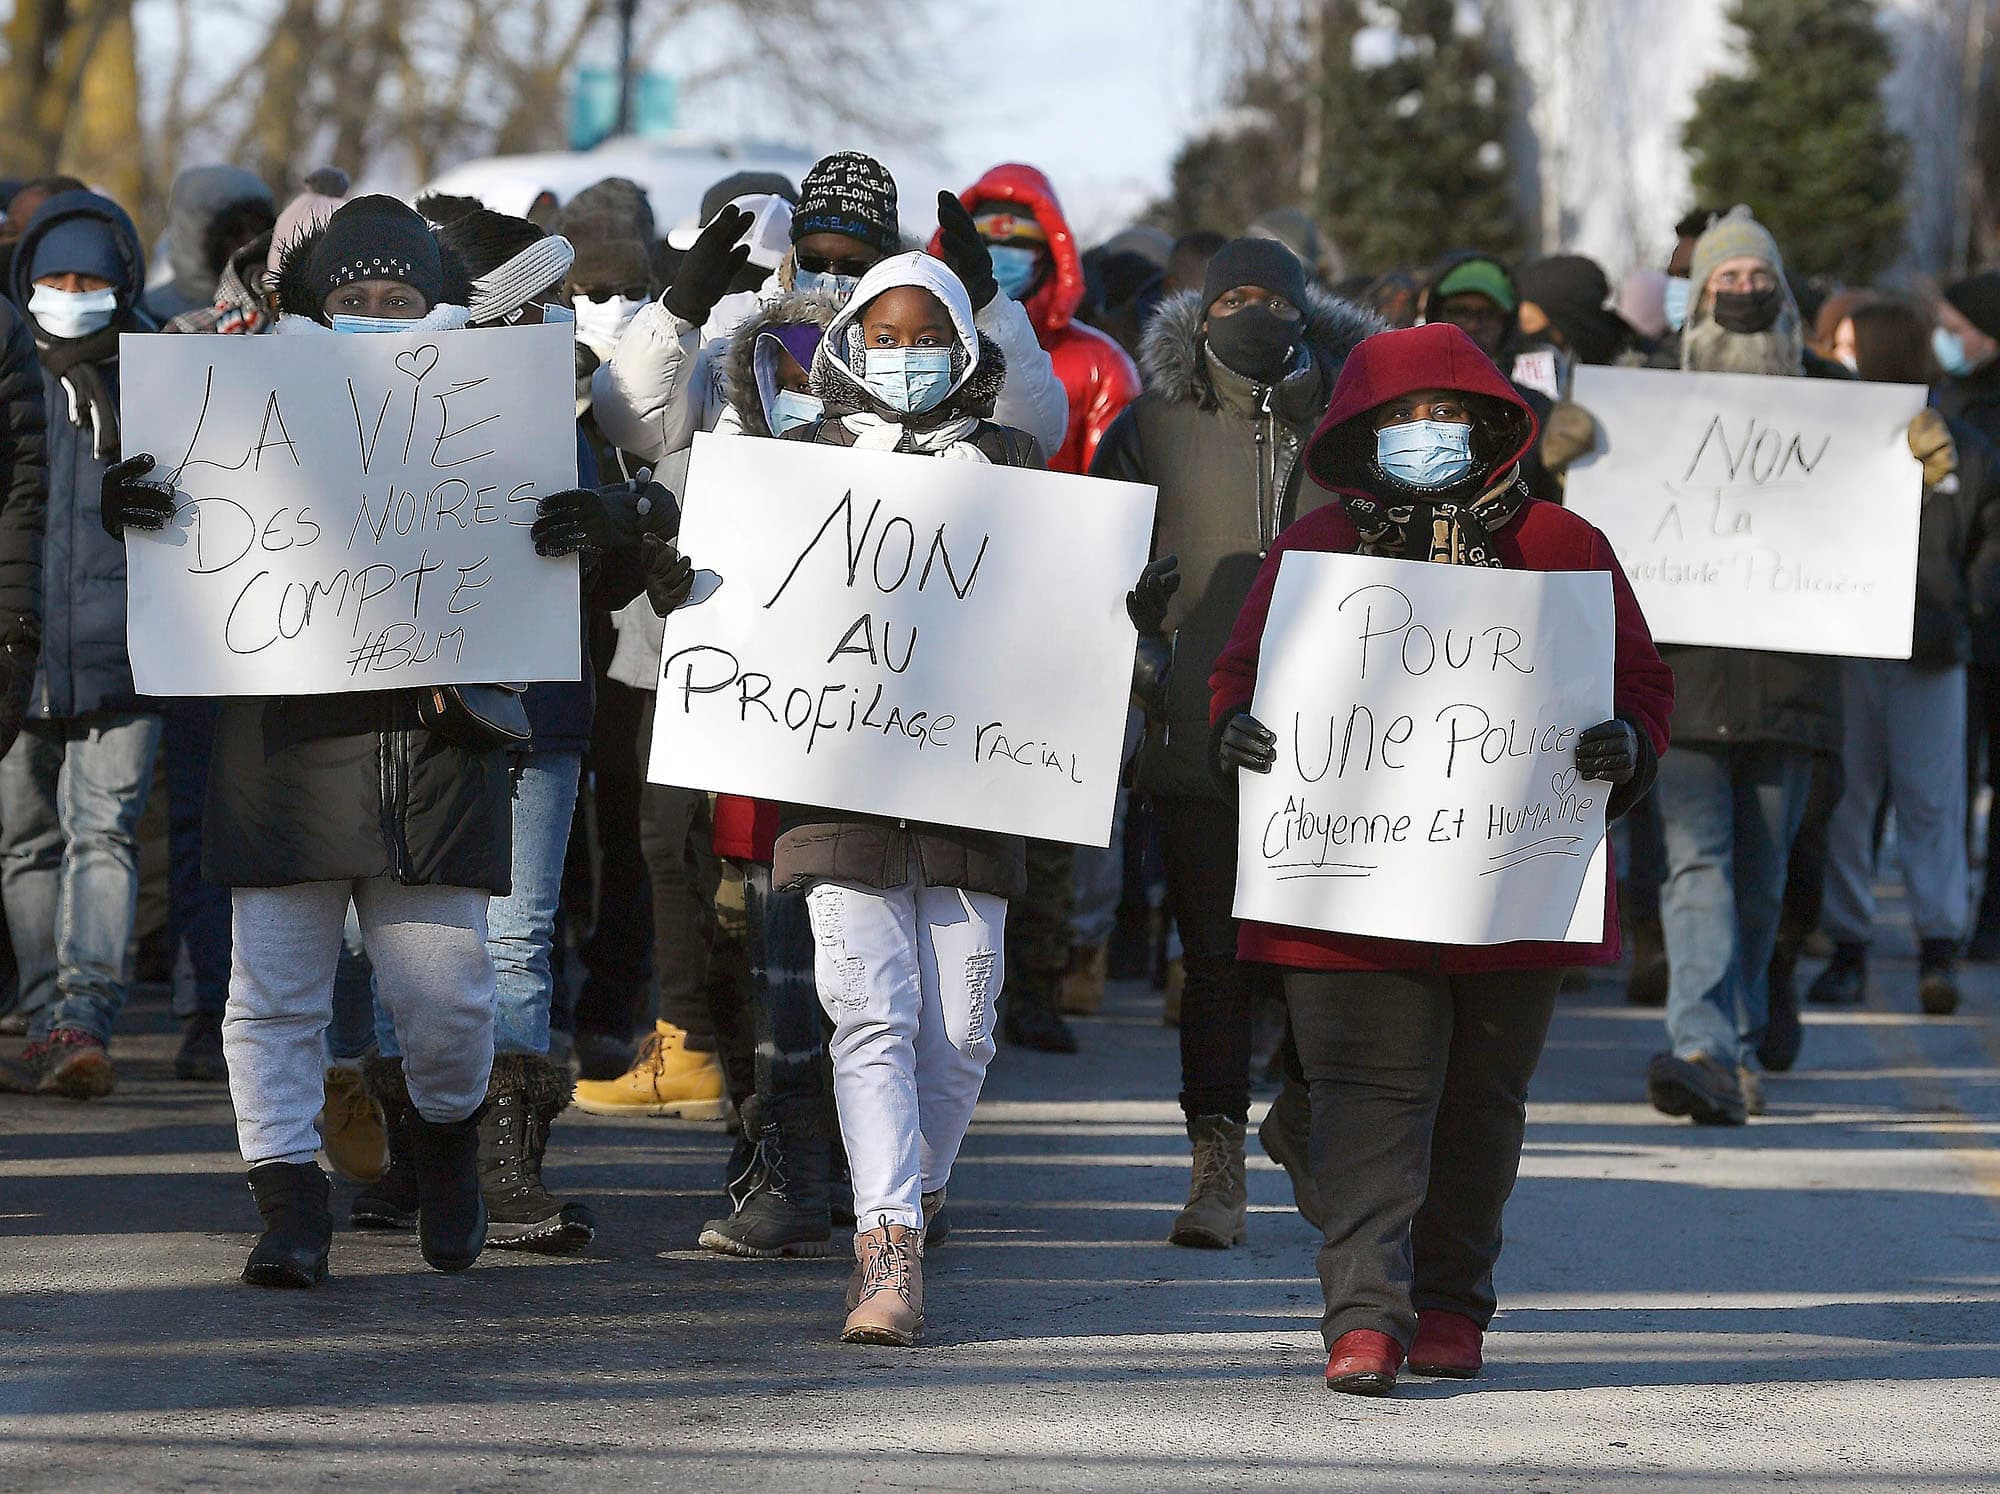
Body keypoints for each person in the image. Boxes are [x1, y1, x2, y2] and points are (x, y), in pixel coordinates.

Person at [98, 193, 590, 1288]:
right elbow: (196, 538)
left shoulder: (503, 412)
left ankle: (448, 1143)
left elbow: (596, 570)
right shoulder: (237, 404)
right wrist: (134, 506)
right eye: (354, 299)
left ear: (437, 303)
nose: (376, 312)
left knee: (446, 996)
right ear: (314, 306)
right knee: (270, 996)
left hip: (436, 750)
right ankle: (287, 1198)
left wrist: (592, 530)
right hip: (281, 745)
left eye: (398, 298)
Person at [1207, 319, 1674, 1395]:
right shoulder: (1314, 550)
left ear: (1488, 426)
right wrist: (1237, 724)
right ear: (1361, 434)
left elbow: (1641, 684)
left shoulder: (1562, 546)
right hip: (1345, 891)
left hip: (1508, 886)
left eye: (1446, 414)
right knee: (1368, 1099)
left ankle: (1454, 1304)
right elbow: (1241, 671)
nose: (1426, 432)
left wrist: (1629, 743)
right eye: (1402, 416)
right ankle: (1364, 1314)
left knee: (1478, 1104)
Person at [652, 252, 1073, 1345]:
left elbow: (1049, 610)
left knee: (963, 1028)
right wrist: (684, 594)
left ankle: (914, 1193)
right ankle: (885, 1249)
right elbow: (744, 605)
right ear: (843, 347)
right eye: (880, 336)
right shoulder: (799, 464)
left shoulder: (1011, 462)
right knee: (870, 1017)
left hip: (971, 786)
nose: (903, 356)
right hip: (834, 791)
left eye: (923, 334)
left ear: (963, 346)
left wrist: (1115, 605)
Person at [1091, 237, 1380, 1249]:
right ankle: (1214, 1164)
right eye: (1232, 298)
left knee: (1320, 953)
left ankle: (1298, 1109)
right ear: (1201, 312)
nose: (1250, 313)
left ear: (1304, 310)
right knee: (1211, 957)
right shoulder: (1151, 425)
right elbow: (1091, 558)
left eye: (1270, 297)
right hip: (1198, 732)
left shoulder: (1360, 425)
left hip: (1334, 740)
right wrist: (1137, 628)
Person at [1638, 208, 1861, 1125]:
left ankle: (1731, 1040)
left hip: (1791, 684)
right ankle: (1702, 1045)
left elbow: (1878, 524)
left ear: (1782, 286)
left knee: (1763, 882)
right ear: (1701, 292)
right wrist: (1574, 449)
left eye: (1755, 276)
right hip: (1685, 680)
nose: (1740, 290)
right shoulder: (1651, 393)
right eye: (1724, 277)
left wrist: (1918, 462)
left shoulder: (1837, 395)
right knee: (1696, 868)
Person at [932, 163, 1145, 1044]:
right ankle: (965, 980)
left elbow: (1119, 482)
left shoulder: (1097, 361)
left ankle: (1042, 982)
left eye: (1024, 247)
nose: (1009, 261)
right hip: (949, 597)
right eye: (994, 248)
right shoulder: (927, 339)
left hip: (1059, 598)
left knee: (1050, 800)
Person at [593, 151, 1068, 466]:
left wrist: (988, 312)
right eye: (815, 260)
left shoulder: (916, 344)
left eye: (853, 264)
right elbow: (637, 428)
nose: (830, 276)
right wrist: (676, 315)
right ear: (794, 251)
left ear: (885, 261)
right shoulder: (731, 326)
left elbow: (1036, 434)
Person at [0, 189, 161, 1099]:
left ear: (122, 282)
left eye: (90, 279)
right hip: (19, 649)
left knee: (103, 835)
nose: (71, 292)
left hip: (123, 654)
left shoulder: (162, 374)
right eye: (56, 276)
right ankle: (41, 1010)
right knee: (25, 839)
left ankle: (82, 1014)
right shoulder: (11, 370)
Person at [1805, 297, 1997, 1022]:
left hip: (1930, 651)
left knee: (1933, 802)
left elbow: (1984, 548)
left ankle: (1937, 943)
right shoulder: (1828, 440)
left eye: (1854, 347)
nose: (1841, 359)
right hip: (1850, 646)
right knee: (1850, 802)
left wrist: (1957, 610)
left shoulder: (1964, 449)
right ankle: (1849, 942)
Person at [1931, 271, 2000, 959]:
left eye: (1955, 330)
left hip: (1983, 622)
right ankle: (1955, 916)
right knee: (1950, 784)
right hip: (1962, 629)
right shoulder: (1948, 402)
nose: (1944, 342)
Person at [143, 164, 275, 325]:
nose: (250, 240)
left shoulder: (276, 310)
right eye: (233, 230)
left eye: (259, 229)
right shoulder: (148, 317)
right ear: (193, 235)